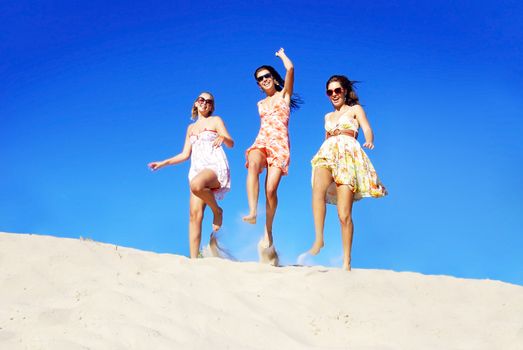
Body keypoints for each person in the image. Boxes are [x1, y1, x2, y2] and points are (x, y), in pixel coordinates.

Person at [309, 75, 387, 270]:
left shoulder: (355, 110)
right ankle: (319, 238)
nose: (333, 94)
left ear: (344, 91)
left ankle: (346, 261)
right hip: (327, 153)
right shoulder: (327, 117)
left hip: (348, 156)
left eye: (337, 90)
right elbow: (327, 137)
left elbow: (367, 127)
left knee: (344, 215)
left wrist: (369, 140)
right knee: (317, 189)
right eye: (329, 92)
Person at [148, 92, 234, 259]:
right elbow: (185, 154)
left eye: (209, 102)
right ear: (195, 103)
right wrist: (163, 163)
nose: (205, 103)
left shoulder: (216, 120)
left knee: (196, 185)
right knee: (194, 216)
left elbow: (231, 143)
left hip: (214, 167)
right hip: (196, 169)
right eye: (201, 100)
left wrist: (223, 137)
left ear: (212, 106)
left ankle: (217, 211)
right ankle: (193, 261)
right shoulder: (190, 128)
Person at [243, 48, 300, 265]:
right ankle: (252, 211)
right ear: (258, 85)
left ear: (274, 78)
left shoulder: (284, 95)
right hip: (262, 141)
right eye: (260, 79)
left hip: (280, 145)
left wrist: (282, 55)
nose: (264, 80)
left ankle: (268, 232)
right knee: (253, 164)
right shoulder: (260, 104)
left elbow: (291, 68)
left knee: (271, 190)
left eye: (267, 76)